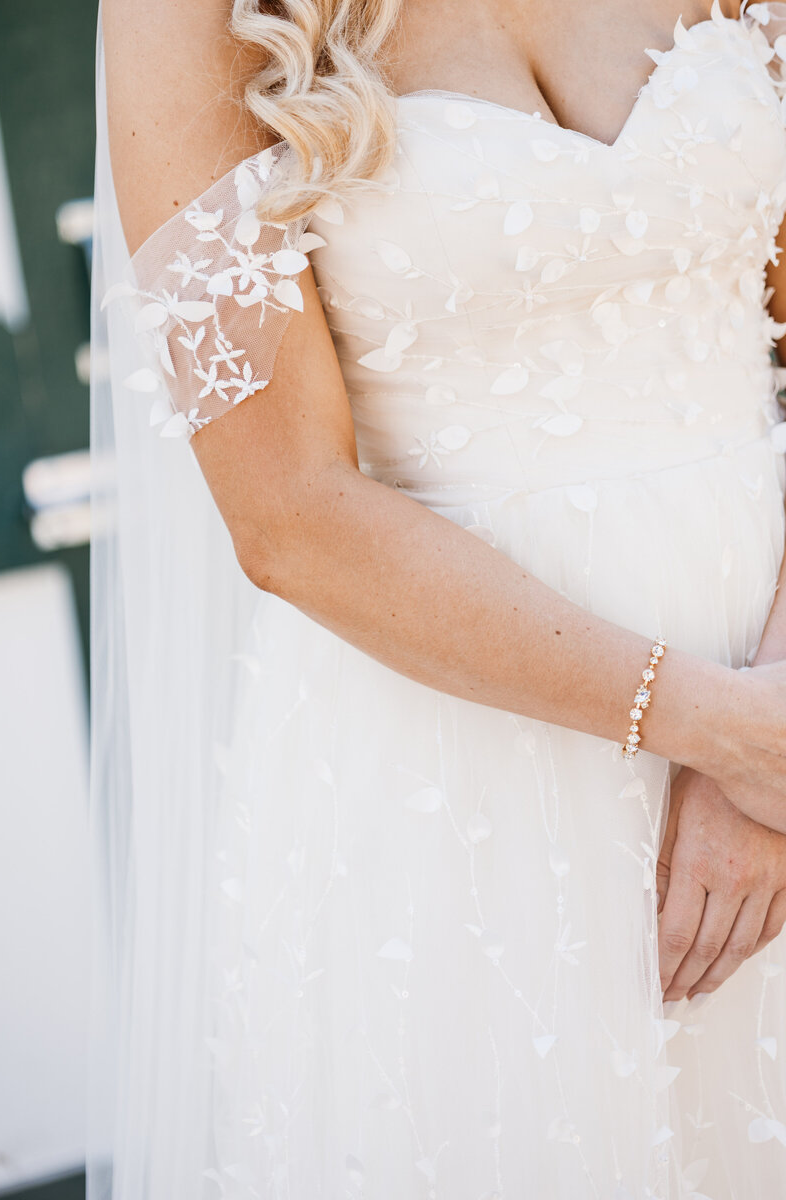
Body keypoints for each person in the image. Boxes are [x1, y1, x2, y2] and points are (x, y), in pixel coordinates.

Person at [90, 0, 786, 1195]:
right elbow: (289, 514)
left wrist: (763, 751)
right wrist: (720, 728)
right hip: (452, 798)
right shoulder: (179, 17)